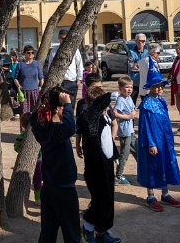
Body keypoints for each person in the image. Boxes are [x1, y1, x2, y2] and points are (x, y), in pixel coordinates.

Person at [31, 86, 81, 243]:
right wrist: (66, 105)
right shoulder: (56, 130)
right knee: (72, 233)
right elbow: (70, 128)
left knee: (48, 232)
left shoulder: (42, 129)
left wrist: (52, 105)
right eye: (64, 107)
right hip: (64, 190)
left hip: (49, 189)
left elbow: (34, 118)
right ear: (57, 109)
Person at [137, 60, 180, 212]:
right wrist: (151, 143)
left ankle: (165, 193)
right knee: (152, 166)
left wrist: (169, 139)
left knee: (165, 164)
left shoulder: (162, 102)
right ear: (150, 86)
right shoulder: (145, 105)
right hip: (154, 141)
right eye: (156, 86)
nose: (159, 88)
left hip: (165, 140)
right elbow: (145, 127)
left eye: (160, 85)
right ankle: (150, 196)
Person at [78, 86, 121, 243]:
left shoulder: (104, 117)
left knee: (108, 199)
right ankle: (88, 228)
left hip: (107, 164)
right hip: (96, 168)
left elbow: (107, 141)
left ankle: (102, 232)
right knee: (100, 200)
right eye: (103, 103)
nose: (107, 106)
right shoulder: (90, 119)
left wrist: (114, 156)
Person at [76, 73, 118, 159]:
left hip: (104, 146)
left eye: (100, 87)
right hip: (88, 147)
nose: (99, 90)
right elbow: (79, 127)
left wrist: (110, 140)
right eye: (95, 88)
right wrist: (77, 144)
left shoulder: (106, 104)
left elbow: (114, 124)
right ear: (86, 87)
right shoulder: (81, 105)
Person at [47, 29, 83, 108]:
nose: (62, 40)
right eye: (60, 38)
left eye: (64, 38)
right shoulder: (53, 51)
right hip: (59, 83)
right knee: (58, 106)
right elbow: (50, 66)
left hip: (71, 82)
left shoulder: (75, 50)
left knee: (71, 105)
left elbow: (79, 65)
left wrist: (79, 79)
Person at [113, 76, 138, 185]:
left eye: (131, 87)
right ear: (120, 88)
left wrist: (134, 112)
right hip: (124, 132)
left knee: (138, 150)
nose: (129, 89)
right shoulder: (121, 100)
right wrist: (128, 116)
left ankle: (143, 172)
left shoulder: (129, 98)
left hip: (130, 130)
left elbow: (132, 109)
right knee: (124, 154)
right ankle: (118, 176)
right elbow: (115, 113)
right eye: (126, 87)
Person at [14, 112, 42, 202]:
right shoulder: (37, 135)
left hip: (25, 161)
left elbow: (16, 147)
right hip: (38, 161)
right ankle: (38, 198)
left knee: (32, 180)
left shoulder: (20, 136)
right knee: (38, 180)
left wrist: (21, 151)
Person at [14, 45, 44, 115]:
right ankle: (24, 126)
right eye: (28, 52)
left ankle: (34, 126)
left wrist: (40, 87)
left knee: (35, 113)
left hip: (35, 92)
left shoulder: (37, 64)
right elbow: (15, 79)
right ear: (24, 53)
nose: (31, 54)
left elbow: (41, 78)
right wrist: (18, 86)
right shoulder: (20, 65)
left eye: (32, 52)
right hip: (24, 92)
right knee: (24, 113)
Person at [128, 33, 148, 105]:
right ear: (135, 41)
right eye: (138, 41)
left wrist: (138, 65)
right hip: (134, 82)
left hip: (144, 81)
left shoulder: (147, 52)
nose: (140, 43)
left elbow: (149, 66)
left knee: (145, 103)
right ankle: (131, 116)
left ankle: (144, 116)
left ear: (145, 42)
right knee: (132, 103)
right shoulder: (131, 52)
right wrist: (143, 66)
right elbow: (131, 67)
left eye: (142, 41)